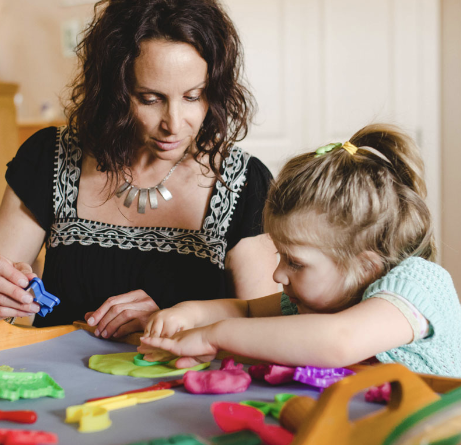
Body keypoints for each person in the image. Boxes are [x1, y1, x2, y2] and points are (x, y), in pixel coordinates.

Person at [0, 0, 279, 337]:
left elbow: (266, 330)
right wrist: (8, 297)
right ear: (114, 91)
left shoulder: (244, 183)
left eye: (193, 96)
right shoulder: (49, 157)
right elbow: (6, 305)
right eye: (150, 99)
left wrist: (171, 322)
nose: (174, 124)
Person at [138, 123, 461, 377]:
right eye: (280, 256)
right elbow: (247, 311)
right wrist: (189, 314)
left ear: (366, 267)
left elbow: (339, 341)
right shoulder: (314, 302)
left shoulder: (417, 287)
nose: (278, 275)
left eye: (294, 262)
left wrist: (214, 336)